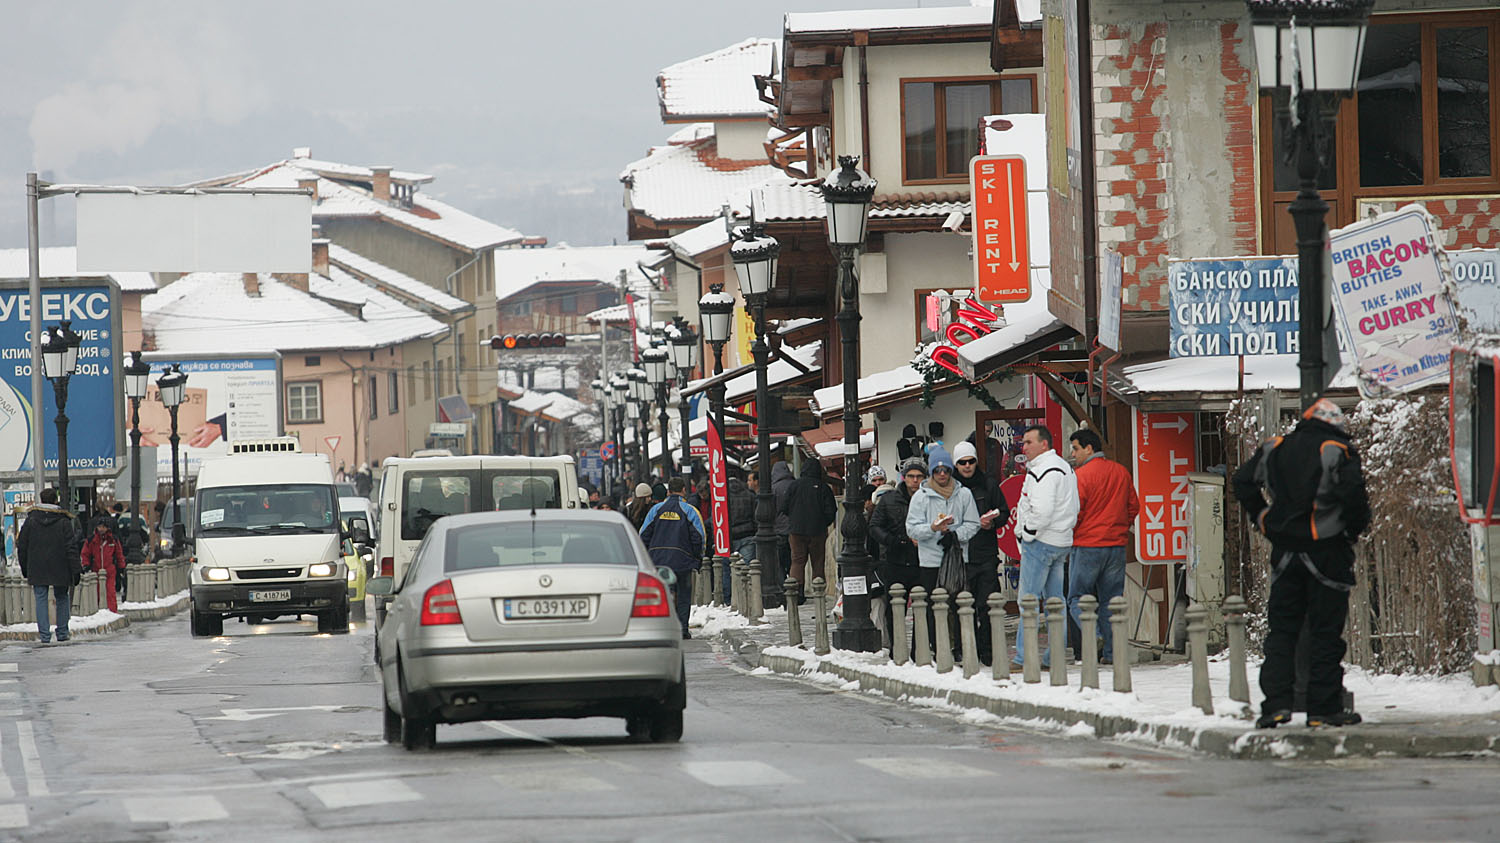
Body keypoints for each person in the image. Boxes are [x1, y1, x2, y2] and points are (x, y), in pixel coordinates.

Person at [1233, 397, 1370, 729]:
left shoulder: (1276, 446)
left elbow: (1242, 481)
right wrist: (1351, 530)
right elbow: (1354, 496)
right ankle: (1323, 708)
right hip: (1328, 550)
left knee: (1282, 631)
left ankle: (1275, 705)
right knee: (1326, 632)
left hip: (1284, 551)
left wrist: (1263, 517)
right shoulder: (1337, 450)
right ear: (1336, 425)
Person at [1067, 428, 1139, 663]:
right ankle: (1111, 654)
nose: (1073, 453)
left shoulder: (1081, 476)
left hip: (1087, 544)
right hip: (1116, 546)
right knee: (1112, 602)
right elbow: (1133, 507)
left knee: (1077, 598)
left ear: (1089, 448)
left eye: (1076, 448)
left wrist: (1074, 533)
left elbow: (1075, 513)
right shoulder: (1120, 471)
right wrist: (1119, 527)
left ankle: (1094, 634)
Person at [1013, 425, 1080, 669]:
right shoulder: (1065, 467)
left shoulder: (1043, 470)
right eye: (1024, 442)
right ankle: (1055, 657)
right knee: (1056, 602)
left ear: (1044, 444)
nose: (1024, 447)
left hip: (1041, 541)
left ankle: (1024, 657)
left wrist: (1027, 533)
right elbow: (1075, 505)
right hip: (1061, 540)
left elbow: (1041, 510)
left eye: (1029, 442)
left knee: (1028, 602)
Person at [905, 445, 981, 653]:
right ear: (931, 472)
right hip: (930, 560)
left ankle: (959, 647)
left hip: (956, 558)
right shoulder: (921, 497)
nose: (941, 474)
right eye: (937, 471)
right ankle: (935, 647)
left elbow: (973, 523)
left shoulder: (963, 494)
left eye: (945, 470)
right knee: (932, 605)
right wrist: (932, 529)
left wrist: (956, 536)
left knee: (959, 605)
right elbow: (911, 528)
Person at [952, 440, 1008, 665]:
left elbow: (1004, 512)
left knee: (986, 605)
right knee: (962, 605)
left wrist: (992, 523)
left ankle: (987, 650)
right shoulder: (951, 488)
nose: (967, 466)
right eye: (962, 462)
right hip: (960, 556)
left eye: (971, 461)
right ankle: (964, 648)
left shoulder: (989, 485)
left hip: (985, 554)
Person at [869, 457, 926, 651]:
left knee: (922, 609)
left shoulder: (929, 497)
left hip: (922, 561)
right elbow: (875, 526)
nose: (915, 480)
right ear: (904, 477)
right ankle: (897, 649)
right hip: (895, 560)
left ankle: (919, 650)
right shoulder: (890, 499)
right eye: (911, 476)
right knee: (895, 610)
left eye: (919, 476)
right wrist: (892, 541)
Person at [639, 477, 705, 639]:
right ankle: (682, 629)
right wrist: (697, 558)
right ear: (684, 490)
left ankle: (664, 628)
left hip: (659, 561)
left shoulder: (655, 510)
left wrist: (647, 556)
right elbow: (700, 538)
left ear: (668, 492)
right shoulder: (690, 510)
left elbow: (643, 535)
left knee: (664, 594)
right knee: (683, 595)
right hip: (683, 561)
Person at [18, 488, 83, 643]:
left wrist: (25, 567)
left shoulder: (31, 520)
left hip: (37, 566)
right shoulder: (64, 521)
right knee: (62, 596)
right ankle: (62, 632)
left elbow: (22, 545)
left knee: (40, 598)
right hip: (60, 566)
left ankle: (44, 635)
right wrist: (75, 569)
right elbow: (71, 547)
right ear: (56, 501)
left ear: (41, 500)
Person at [780, 459, 837, 600]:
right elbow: (831, 510)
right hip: (817, 530)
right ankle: (818, 589)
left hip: (796, 530)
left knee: (797, 560)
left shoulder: (794, 486)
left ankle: (797, 592)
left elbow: (784, 507)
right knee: (818, 560)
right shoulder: (824, 487)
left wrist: (794, 518)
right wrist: (823, 523)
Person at [81, 517, 127, 612]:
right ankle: (98, 611)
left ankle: (112, 612)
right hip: (96, 570)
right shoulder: (92, 540)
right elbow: (85, 554)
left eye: (103, 527)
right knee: (96, 593)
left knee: (110, 593)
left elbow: (119, 553)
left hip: (109, 570)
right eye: (99, 527)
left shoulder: (113, 540)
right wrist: (86, 565)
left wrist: (121, 566)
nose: (101, 529)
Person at [726, 470, 757, 604]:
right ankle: (749, 596)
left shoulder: (723, 497)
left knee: (728, 569)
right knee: (748, 568)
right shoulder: (749, 495)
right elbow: (756, 516)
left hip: (728, 537)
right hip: (747, 534)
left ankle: (729, 599)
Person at [771, 460, 796, 599]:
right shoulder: (794, 485)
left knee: (780, 562)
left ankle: (783, 588)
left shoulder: (773, 488)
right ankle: (796, 588)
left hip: (779, 530)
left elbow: (771, 511)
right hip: (794, 529)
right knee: (795, 561)